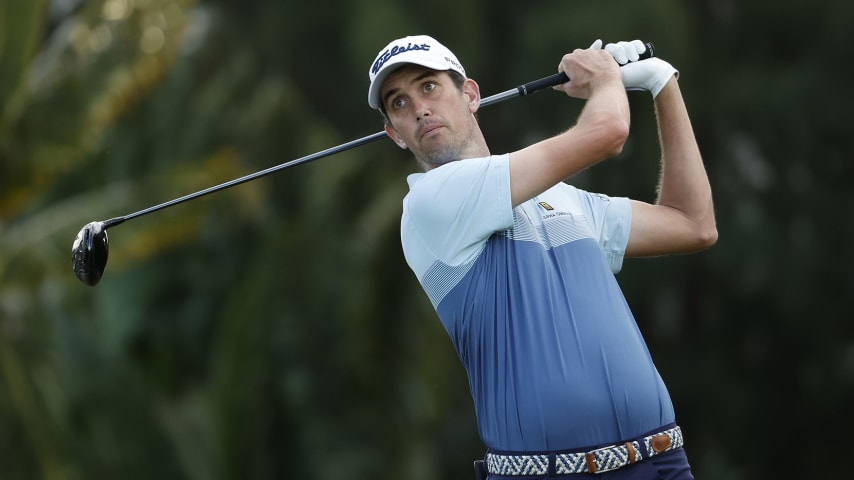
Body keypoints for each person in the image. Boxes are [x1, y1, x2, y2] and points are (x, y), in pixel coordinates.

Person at [367, 34, 716, 480]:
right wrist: (607, 77)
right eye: (398, 103)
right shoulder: (430, 204)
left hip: (661, 462)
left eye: (428, 86)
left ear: (470, 95)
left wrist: (662, 83)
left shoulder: (562, 199)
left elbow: (692, 222)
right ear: (395, 134)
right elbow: (607, 133)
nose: (418, 108)